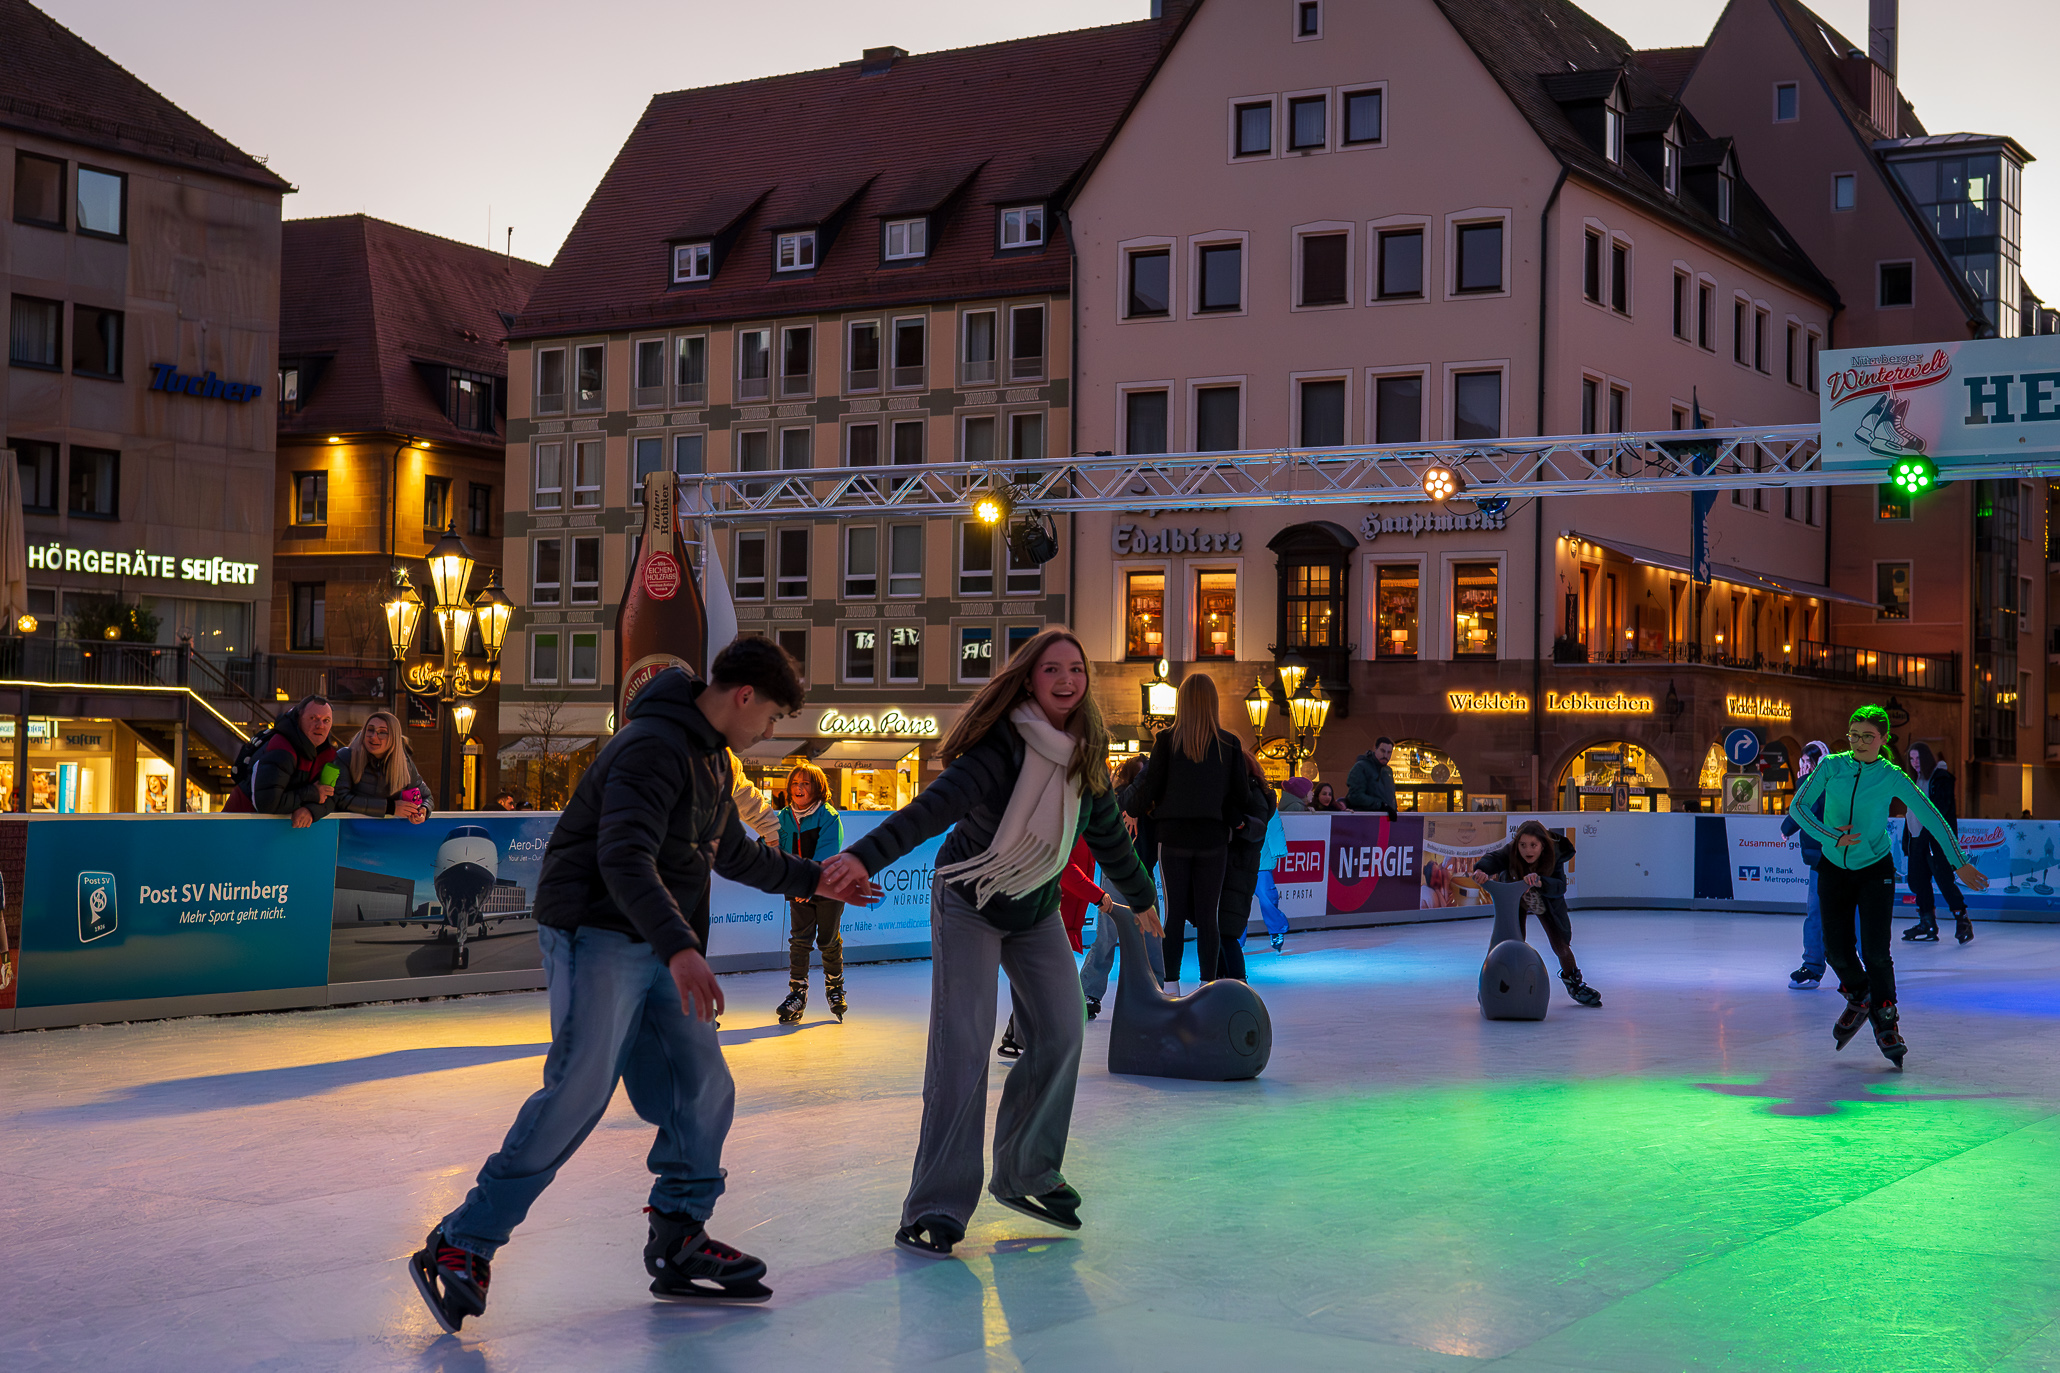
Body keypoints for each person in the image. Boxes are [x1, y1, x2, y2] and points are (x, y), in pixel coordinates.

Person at [408, 639, 879, 1330]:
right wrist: (683, 947)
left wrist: (817, 879)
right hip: (596, 930)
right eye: (774, 716)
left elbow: (737, 853)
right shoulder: (653, 747)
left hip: (659, 942)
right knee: (580, 1087)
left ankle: (679, 1233)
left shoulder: (712, 757)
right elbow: (623, 857)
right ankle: (462, 1240)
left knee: (702, 1082)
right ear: (743, 696)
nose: (772, 733)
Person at [835, 628, 1160, 1261]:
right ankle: (935, 1204)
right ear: (1029, 680)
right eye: (1052, 670)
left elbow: (1112, 843)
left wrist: (1142, 899)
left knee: (1065, 1032)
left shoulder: (1085, 758)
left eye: (1076, 669)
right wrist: (863, 857)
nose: (1066, 680)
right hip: (969, 901)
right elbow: (927, 812)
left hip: (1034, 907)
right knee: (963, 1047)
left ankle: (1026, 1173)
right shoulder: (999, 749)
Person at [1789, 705, 1989, 1066]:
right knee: (1835, 951)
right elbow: (1799, 808)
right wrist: (1829, 836)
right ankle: (1860, 994)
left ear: (1883, 740)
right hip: (1833, 867)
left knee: (1877, 953)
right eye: (1854, 734)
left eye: (1869, 736)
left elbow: (1932, 815)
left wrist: (1958, 862)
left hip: (1874, 869)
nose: (1860, 741)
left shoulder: (1892, 775)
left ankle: (1885, 1019)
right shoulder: (1831, 766)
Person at [1136, 672, 1251, 991]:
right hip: (1213, 839)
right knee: (1208, 917)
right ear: (1213, 703)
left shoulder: (1165, 741)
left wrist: (1133, 808)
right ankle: (1207, 984)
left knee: (1173, 916)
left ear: (1181, 702)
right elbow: (1242, 795)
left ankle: (1171, 985)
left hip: (1173, 838)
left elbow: (1151, 786)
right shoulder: (1229, 744)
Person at [1474, 820, 1601, 1007]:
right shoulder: (1512, 851)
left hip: (1545, 900)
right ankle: (1495, 985)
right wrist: (1481, 870)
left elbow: (1560, 886)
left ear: (1542, 845)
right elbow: (1493, 859)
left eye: (1533, 845)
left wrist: (1541, 882)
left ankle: (1574, 984)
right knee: (1511, 942)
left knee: (1561, 946)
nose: (1527, 850)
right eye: (1523, 845)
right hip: (1515, 896)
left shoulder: (1554, 855)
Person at [1081, 757, 1166, 1018]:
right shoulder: (1119, 800)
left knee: (1152, 937)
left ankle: (1155, 991)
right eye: (1141, 777)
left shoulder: (1152, 806)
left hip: (1142, 876)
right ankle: (1089, 992)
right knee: (1107, 937)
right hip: (1117, 876)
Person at [775, 763, 846, 1023]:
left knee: (827, 940)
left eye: (805, 783)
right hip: (798, 889)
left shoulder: (828, 816)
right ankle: (797, 994)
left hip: (828, 887)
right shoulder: (783, 817)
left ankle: (835, 987)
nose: (799, 788)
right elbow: (775, 846)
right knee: (800, 940)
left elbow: (826, 854)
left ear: (817, 788)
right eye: (795, 783)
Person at [1213, 749, 1278, 979]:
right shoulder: (1237, 793)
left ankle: (1237, 986)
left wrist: (1239, 824)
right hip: (1230, 869)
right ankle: (1222, 984)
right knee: (1219, 933)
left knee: (1227, 933)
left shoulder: (1253, 794)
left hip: (1238, 871)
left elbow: (1256, 829)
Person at [223, 695, 336, 827]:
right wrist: (313, 793)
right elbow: (268, 803)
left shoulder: (326, 753)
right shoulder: (282, 748)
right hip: (240, 827)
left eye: (326, 720)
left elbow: (332, 796)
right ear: (299, 718)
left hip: (270, 834)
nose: (320, 726)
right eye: (313, 718)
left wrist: (310, 810)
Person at [1901, 742, 1971, 944]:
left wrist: (1930, 837)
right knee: (1918, 882)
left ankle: (1962, 919)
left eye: (1918, 758)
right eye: (1912, 759)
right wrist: (1908, 840)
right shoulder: (1913, 781)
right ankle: (1927, 922)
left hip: (1935, 842)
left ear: (1926, 758)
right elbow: (1910, 814)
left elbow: (1940, 811)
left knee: (1944, 880)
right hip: (1917, 840)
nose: (1915, 763)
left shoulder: (1941, 779)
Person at [332, 711, 433, 824]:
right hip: (349, 833)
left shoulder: (404, 763)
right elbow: (340, 799)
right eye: (370, 730)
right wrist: (390, 808)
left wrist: (422, 810)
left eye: (382, 732)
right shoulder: (346, 756)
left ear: (393, 737)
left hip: (388, 834)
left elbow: (426, 797)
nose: (374, 737)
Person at [1781, 788, 1832, 989]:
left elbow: (1804, 805)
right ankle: (1812, 965)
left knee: (1854, 913)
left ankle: (1870, 965)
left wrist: (1787, 827)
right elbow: (1801, 808)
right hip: (1819, 858)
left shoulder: (1830, 777)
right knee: (1816, 912)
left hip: (1846, 856)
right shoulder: (1813, 782)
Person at [1345, 737, 1399, 819]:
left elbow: (1391, 797)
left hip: (1386, 820)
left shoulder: (1388, 771)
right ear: (1375, 749)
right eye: (1383, 751)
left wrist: (1393, 809)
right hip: (1365, 819)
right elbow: (1355, 796)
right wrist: (1381, 805)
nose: (1385, 755)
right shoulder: (1361, 767)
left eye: (1389, 752)